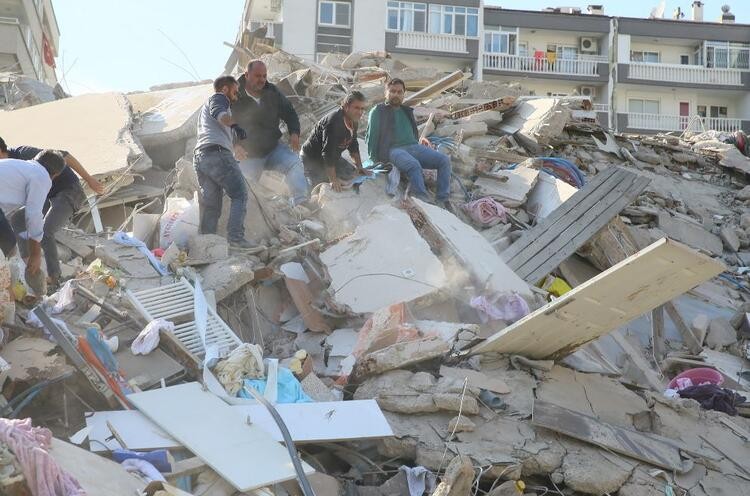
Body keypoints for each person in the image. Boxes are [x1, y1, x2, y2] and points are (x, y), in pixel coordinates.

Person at [0, 137, 104, 287]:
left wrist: (89, 179)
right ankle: (28, 266)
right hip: (46, 195)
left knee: (46, 230)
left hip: (69, 192)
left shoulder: (26, 155)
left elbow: (63, 155)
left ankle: (54, 277)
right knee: (17, 220)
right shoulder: (19, 166)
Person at [366, 78, 453, 208]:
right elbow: (371, 136)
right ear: (386, 93)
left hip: (413, 146)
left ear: (403, 94)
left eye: (399, 92)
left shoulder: (406, 111)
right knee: (414, 165)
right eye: (392, 91)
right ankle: (423, 200)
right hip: (393, 150)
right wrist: (373, 159)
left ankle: (442, 199)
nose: (396, 94)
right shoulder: (378, 111)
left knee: (444, 160)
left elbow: (413, 132)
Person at [232, 60, 308, 205]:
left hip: (273, 149)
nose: (261, 80)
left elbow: (290, 112)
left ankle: (301, 203)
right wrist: (235, 145)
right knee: (243, 191)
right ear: (246, 75)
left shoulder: (272, 92)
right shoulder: (233, 95)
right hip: (248, 155)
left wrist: (294, 133)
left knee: (294, 163)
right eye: (257, 76)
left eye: (264, 76)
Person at [193, 75, 254, 250]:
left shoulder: (217, 111)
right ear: (225, 89)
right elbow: (218, 113)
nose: (237, 95)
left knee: (212, 205)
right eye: (235, 91)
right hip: (217, 154)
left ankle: (207, 245)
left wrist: (237, 148)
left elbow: (220, 130)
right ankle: (236, 239)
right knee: (239, 194)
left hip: (202, 157)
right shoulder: (219, 99)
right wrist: (235, 126)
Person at [0, 150, 67, 277]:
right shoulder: (41, 175)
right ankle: (9, 292)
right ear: (55, 174)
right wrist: (35, 253)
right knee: (8, 248)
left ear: (36, 159)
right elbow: (34, 214)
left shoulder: (20, 167)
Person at [301, 91, 371, 191]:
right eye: (356, 108)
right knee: (321, 188)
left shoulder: (353, 121)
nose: (360, 112)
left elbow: (353, 145)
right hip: (312, 158)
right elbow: (327, 153)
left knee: (352, 176)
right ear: (346, 106)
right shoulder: (333, 122)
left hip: (333, 157)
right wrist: (333, 180)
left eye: (362, 108)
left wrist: (359, 167)